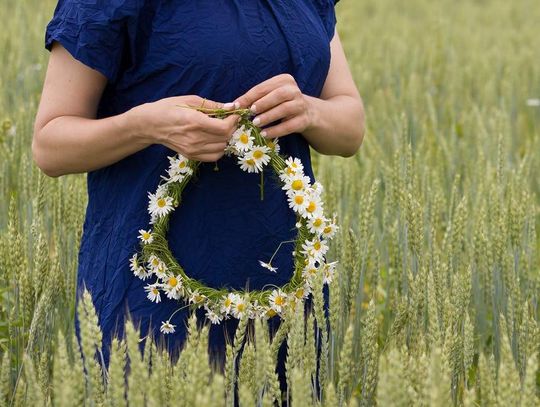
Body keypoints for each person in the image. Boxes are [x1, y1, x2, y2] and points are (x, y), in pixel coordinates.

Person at [32, 0, 365, 401]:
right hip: (155, 296)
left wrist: (309, 111)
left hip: (284, 297)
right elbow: (50, 145)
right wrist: (146, 124)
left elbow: (350, 127)